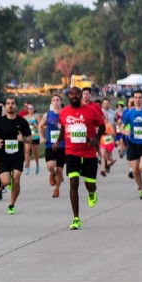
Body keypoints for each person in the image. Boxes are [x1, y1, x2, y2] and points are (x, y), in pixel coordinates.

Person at [58, 86, 105, 230]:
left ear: (80, 96)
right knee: (74, 182)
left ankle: (92, 192)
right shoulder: (64, 112)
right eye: (71, 94)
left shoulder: (91, 111)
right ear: (68, 96)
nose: (74, 96)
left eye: (77, 94)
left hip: (89, 153)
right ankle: (76, 218)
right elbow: (63, 128)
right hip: (71, 152)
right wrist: (58, 141)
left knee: (89, 184)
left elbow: (102, 126)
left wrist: (96, 138)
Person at [0, 97, 32, 215]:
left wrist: (23, 139)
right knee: (4, 182)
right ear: (5, 106)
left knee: (16, 179)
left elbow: (30, 138)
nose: (10, 106)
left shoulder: (22, 122)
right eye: (8, 104)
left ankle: (11, 204)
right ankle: (7, 183)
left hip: (17, 155)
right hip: (3, 155)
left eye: (12, 104)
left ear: (16, 106)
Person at [39, 94, 65, 198]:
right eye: (53, 100)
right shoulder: (47, 115)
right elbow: (40, 126)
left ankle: (56, 189)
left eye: (57, 100)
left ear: (60, 102)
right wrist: (41, 137)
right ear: (51, 102)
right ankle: (52, 174)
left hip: (62, 146)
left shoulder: (65, 114)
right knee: (50, 166)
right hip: (50, 145)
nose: (55, 102)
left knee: (60, 170)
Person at [23, 103, 41, 175]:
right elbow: (23, 128)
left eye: (31, 108)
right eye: (28, 109)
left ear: (34, 109)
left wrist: (33, 124)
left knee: (35, 152)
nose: (30, 110)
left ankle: (37, 165)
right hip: (28, 137)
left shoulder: (37, 116)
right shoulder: (25, 117)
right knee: (27, 151)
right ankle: (27, 167)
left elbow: (40, 127)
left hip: (36, 136)